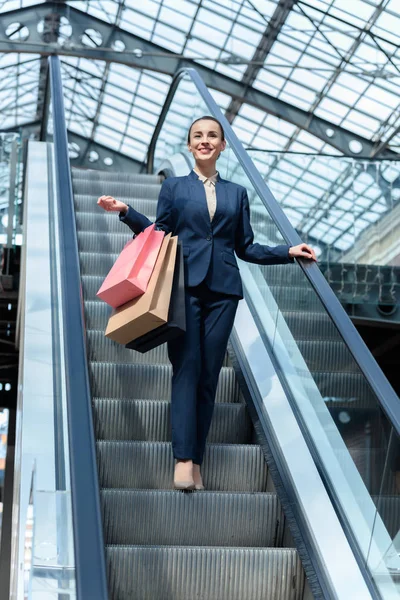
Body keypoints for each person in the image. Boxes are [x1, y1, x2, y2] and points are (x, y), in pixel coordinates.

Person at [97, 115, 317, 491]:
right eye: (197, 135)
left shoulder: (237, 194)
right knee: (186, 368)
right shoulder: (176, 188)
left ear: (222, 145)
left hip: (224, 293)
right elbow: (159, 235)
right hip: (183, 288)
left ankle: (197, 460)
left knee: (208, 376)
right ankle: (182, 459)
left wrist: (287, 251)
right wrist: (127, 213)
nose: (204, 140)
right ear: (189, 144)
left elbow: (245, 247)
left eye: (212, 135)